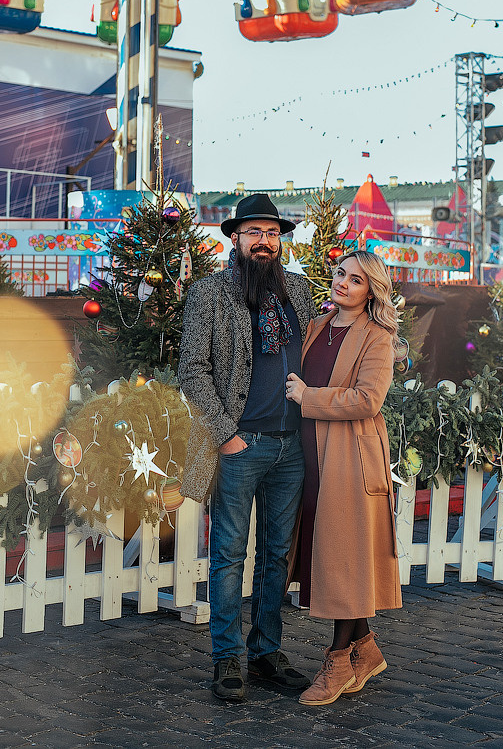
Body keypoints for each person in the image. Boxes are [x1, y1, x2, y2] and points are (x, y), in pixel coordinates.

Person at [179, 193, 317, 703]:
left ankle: (265, 652)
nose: (264, 242)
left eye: (272, 233)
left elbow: (322, 350)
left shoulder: (298, 290)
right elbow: (192, 370)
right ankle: (227, 658)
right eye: (254, 232)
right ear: (235, 238)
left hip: (291, 445)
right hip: (241, 444)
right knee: (229, 555)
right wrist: (226, 436)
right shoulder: (209, 293)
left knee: (276, 555)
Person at [285, 250, 403, 707]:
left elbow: (368, 399)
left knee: (345, 558)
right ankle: (366, 650)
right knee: (333, 554)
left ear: (371, 291)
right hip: (311, 453)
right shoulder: (316, 326)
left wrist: (308, 397)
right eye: (340, 274)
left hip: (350, 456)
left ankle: (337, 662)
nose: (343, 283)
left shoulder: (377, 336)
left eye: (356, 280)